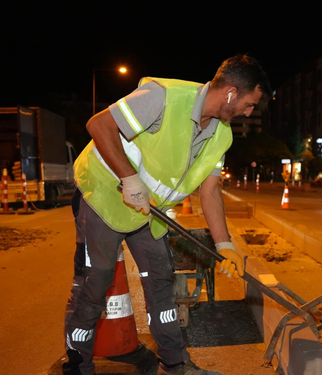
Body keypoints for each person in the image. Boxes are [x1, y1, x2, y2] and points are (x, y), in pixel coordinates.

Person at [63, 54, 272, 375]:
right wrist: (129, 178)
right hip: (103, 195)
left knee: (161, 281)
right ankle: (77, 366)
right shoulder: (164, 97)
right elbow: (98, 124)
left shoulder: (222, 135)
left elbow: (210, 190)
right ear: (230, 93)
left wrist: (224, 245)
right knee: (96, 282)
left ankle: (176, 364)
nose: (249, 112)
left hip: (150, 210)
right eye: (249, 104)